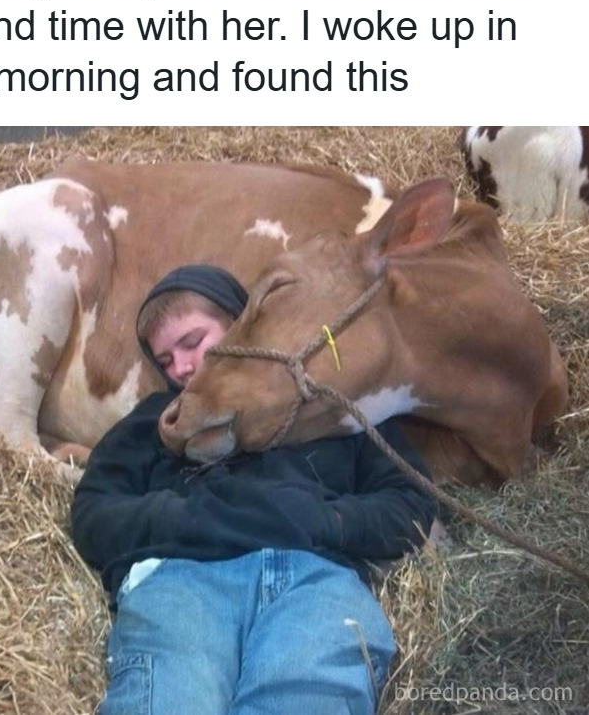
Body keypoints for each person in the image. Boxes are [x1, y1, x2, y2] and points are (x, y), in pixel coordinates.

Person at [71, 264, 435, 715]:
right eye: (165, 360)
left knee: (305, 691)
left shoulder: (324, 400)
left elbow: (411, 502)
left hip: (315, 581)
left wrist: (325, 520)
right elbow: (93, 512)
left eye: (192, 342)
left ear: (240, 324)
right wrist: (187, 519)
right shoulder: (157, 419)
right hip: (185, 578)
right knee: (171, 695)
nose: (181, 368)